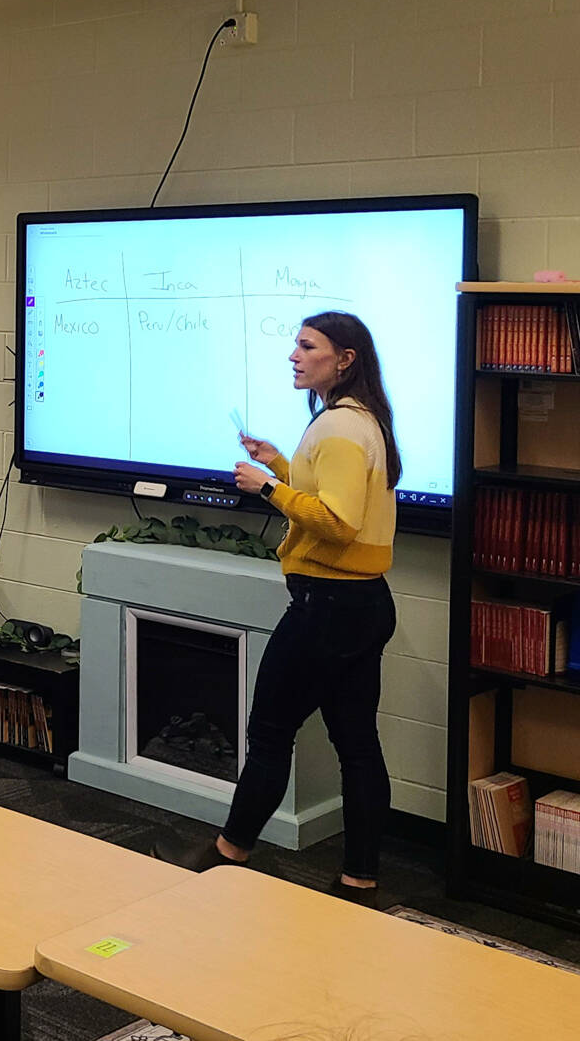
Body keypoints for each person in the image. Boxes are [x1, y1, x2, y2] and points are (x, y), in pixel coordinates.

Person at [167, 311, 400, 904]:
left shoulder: (339, 428)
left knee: (270, 732)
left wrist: (266, 488)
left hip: (328, 606)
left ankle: (227, 855)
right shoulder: (358, 421)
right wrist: (280, 463)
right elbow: (329, 493)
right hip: (363, 603)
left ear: (344, 358)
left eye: (307, 346)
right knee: (357, 742)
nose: (294, 356)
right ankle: (360, 880)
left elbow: (338, 522)